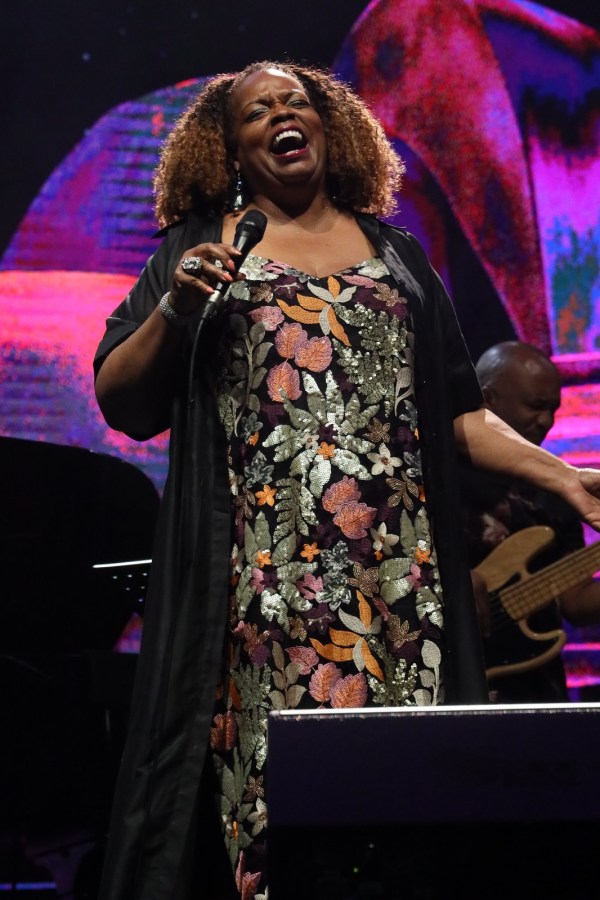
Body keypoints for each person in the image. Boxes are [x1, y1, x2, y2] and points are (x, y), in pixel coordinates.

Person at [93, 61, 600, 900]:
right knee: (282, 821)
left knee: (409, 816)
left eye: (299, 101)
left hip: (402, 587)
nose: (283, 114)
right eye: (259, 109)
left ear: (331, 127)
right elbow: (122, 398)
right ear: (231, 146)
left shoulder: (396, 257)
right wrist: (177, 308)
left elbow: (460, 417)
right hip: (266, 595)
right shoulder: (200, 249)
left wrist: (568, 477)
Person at [459, 341, 600, 703]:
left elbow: (575, 602)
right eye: (536, 406)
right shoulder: (436, 476)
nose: (548, 421)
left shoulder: (558, 488)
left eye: (554, 409)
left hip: (535, 682)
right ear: (487, 399)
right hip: (456, 676)